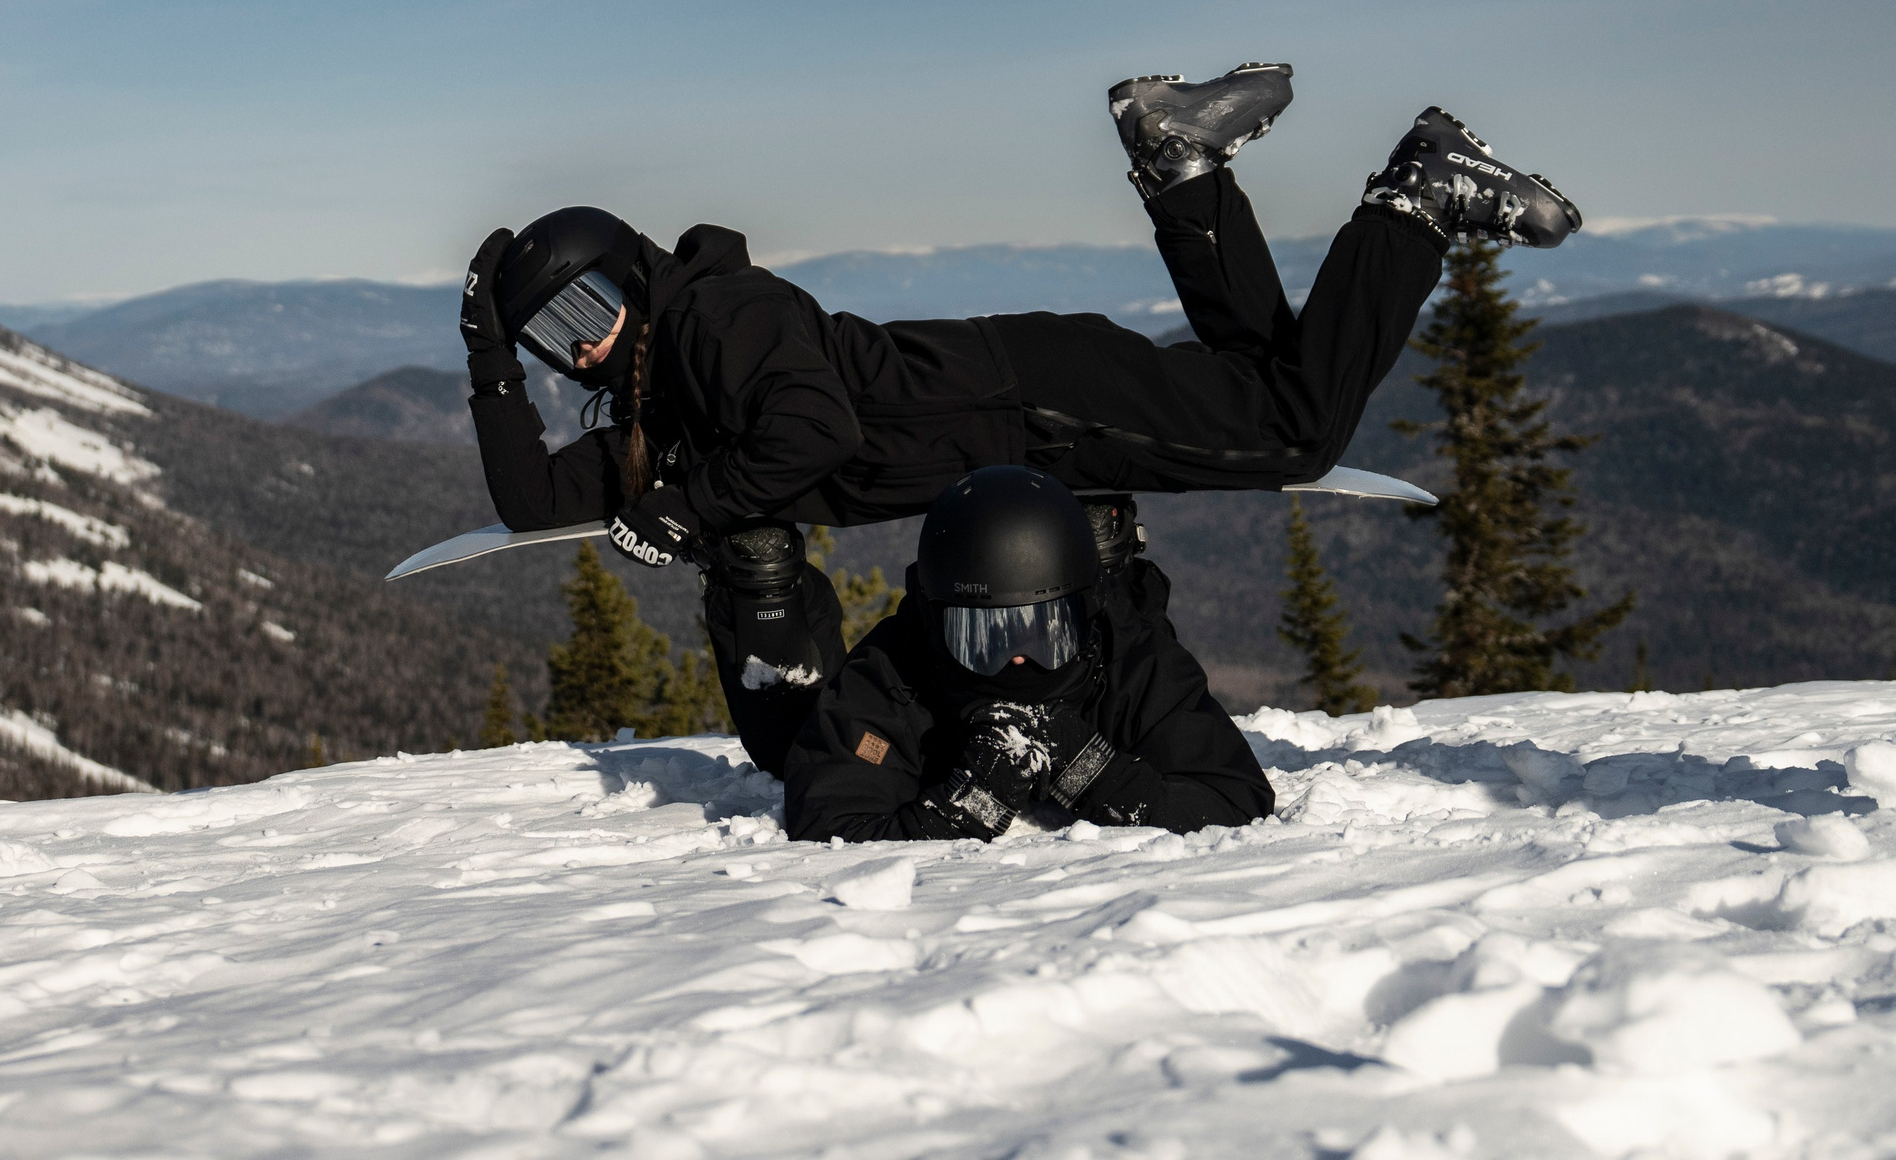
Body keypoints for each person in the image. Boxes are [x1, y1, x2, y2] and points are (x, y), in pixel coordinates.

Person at [455, 67, 1574, 758]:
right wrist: (490, 362)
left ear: (631, 277)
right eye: (559, 334)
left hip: (1034, 400)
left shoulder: (714, 321)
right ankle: (1180, 165)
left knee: (1292, 432)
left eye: (587, 309)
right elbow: (533, 501)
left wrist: (687, 511)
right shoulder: (671, 402)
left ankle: (1416, 199)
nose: (585, 343)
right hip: (1023, 400)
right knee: (1257, 378)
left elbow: (816, 434)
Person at [781, 466, 1272, 841]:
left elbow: (1234, 801)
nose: (1017, 661)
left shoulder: (1130, 661)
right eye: (986, 637)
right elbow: (832, 822)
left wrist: (1091, 770)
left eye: (1045, 633)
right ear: (936, 621)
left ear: (1087, 613)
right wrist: (970, 805)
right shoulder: (895, 673)